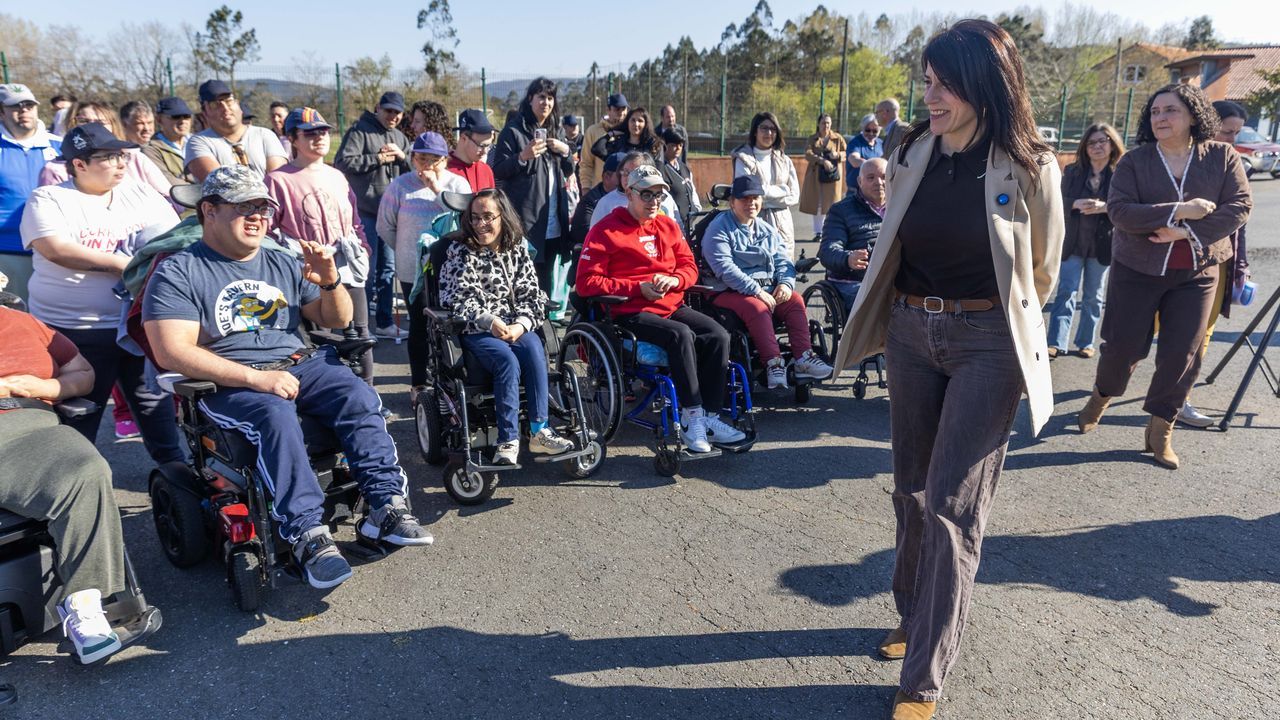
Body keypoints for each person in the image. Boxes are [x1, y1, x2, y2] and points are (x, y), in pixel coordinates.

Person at [830, 20, 1064, 719]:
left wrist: (1002, 328)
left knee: (952, 506)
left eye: (945, 84)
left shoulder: (1031, 164)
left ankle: (923, 678)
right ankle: (914, 614)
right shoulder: (911, 150)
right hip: (910, 331)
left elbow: (1042, 273)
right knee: (910, 490)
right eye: (927, 81)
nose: (929, 96)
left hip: (988, 342)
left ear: (986, 85)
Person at [142, 165, 433, 590]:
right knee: (274, 414)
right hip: (230, 378)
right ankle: (307, 535)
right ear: (209, 210)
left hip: (299, 362)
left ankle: (385, 508)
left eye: (263, 208)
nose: (257, 216)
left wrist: (330, 282)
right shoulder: (178, 271)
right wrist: (254, 379)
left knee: (357, 394)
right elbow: (172, 350)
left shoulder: (281, 259)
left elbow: (336, 319)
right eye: (244, 207)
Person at [1077, 83, 1251, 469]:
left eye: (1170, 110)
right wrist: (1180, 210)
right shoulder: (1135, 161)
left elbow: (1240, 205)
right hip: (1137, 269)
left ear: (1193, 115)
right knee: (1122, 348)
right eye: (1155, 112)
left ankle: (1161, 429)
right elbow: (1120, 211)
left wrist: (1185, 232)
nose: (1160, 118)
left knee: (1182, 353)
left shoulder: (1221, 155)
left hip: (1198, 271)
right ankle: (1102, 395)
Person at [0, 306, 156, 665]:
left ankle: (85, 609)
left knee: (86, 470)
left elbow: (84, 374)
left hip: (31, 427)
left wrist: (44, 387)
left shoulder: (25, 323)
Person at [18, 123, 184, 461]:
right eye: (109, 157)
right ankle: (73, 482)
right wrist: (126, 265)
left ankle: (176, 478)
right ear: (79, 164)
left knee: (157, 412)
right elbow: (57, 249)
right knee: (79, 424)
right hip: (77, 332)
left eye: (122, 155)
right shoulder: (49, 198)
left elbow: (172, 239)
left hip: (138, 326)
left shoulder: (140, 193)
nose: (121, 163)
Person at [576, 166, 747, 452]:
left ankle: (710, 417)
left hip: (669, 304)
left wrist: (675, 280)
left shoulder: (668, 225)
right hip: (627, 312)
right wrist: (636, 288)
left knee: (718, 334)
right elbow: (586, 283)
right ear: (629, 193)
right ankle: (692, 418)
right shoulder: (605, 230)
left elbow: (689, 267)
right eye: (646, 194)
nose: (654, 201)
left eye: (658, 195)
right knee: (680, 335)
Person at [438, 188, 575, 464]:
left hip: (515, 325)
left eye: (487, 217)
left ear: (503, 216)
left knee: (534, 348)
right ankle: (508, 439)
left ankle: (539, 432)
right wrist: (490, 321)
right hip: (477, 328)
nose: (480, 224)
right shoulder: (461, 251)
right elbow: (458, 298)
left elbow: (533, 295)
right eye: (475, 217)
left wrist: (521, 325)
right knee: (506, 360)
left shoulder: (517, 249)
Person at [265, 107, 377, 385]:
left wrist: (362, 246)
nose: (319, 138)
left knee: (359, 333)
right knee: (319, 337)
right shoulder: (278, 180)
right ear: (293, 139)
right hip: (308, 270)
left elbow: (354, 219)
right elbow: (268, 230)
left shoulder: (337, 175)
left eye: (323, 132)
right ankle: (326, 391)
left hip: (346, 264)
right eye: (310, 133)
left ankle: (368, 393)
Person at [703, 175, 833, 389]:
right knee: (757, 307)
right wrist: (756, 291)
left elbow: (783, 261)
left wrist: (785, 284)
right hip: (726, 290)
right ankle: (773, 363)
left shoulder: (766, 228)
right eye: (744, 199)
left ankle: (803, 359)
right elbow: (724, 268)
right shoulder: (718, 228)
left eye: (755, 198)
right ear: (732, 202)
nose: (751, 203)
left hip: (765, 287)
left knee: (794, 301)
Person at [1177, 100, 1255, 428]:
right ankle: (1106, 389)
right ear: (1206, 125)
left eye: (1236, 133)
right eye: (1226, 131)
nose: (1231, 139)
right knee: (1137, 337)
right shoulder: (1178, 160)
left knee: (1200, 335)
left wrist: (1240, 265)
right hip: (1168, 259)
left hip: (1217, 262)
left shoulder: (1234, 164)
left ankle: (1179, 400)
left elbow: (1240, 222)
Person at [377, 131, 471, 393]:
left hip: (453, 269)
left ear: (445, 160)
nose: (427, 165)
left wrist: (436, 189)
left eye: (434, 160)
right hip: (413, 270)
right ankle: (419, 383)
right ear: (412, 158)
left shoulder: (457, 184)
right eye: (421, 159)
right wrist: (406, 250)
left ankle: (452, 382)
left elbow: (466, 219)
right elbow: (385, 226)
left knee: (453, 325)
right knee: (419, 325)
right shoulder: (400, 186)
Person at [334, 91, 411, 341]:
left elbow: (414, 167)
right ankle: (362, 326)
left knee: (388, 269)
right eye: (388, 111)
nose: (393, 116)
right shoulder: (359, 131)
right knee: (365, 270)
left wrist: (402, 156)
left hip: (391, 214)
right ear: (377, 108)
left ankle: (385, 323)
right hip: (365, 213)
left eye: (397, 112)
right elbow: (343, 163)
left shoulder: (400, 137)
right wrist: (377, 158)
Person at [1045, 123, 1124, 359]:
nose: (1097, 146)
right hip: (1073, 243)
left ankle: (1085, 342)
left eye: (1102, 141)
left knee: (1093, 297)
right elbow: (1055, 201)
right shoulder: (1072, 171)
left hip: (1101, 246)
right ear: (1084, 147)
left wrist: (1105, 207)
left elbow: (1129, 206)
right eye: (1091, 142)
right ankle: (1056, 342)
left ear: (1112, 144)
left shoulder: (1121, 174)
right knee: (1066, 291)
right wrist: (1074, 204)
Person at [489, 77, 575, 292]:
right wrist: (522, 157)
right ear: (530, 99)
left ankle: (542, 313)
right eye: (541, 97)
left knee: (546, 282)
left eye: (550, 98)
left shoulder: (556, 131)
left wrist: (566, 151)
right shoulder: (513, 131)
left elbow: (568, 171)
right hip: (525, 223)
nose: (546, 102)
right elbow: (498, 170)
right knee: (522, 281)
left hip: (553, 222)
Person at [0, 84, 62, 302]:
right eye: (15, 106)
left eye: (29, 105)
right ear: (2, 112)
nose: (24, 110)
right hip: (7, 251)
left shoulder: (60, 146)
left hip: (56, 252)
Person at [40, 100, 172, 198]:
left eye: (100, 123)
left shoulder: (135, 159)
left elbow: (170, 198)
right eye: (84, 121)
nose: (92, 127)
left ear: (114, 125)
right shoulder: (55, 169)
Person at [185, 81, 288, 182]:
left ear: (238, 104)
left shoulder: (265, 135)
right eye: (215, 104)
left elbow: (277, 180)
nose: (225, 108)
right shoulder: (198, 142)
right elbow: (219, 183)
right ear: (205, 112)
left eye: (229, 101)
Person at [819, 157, 886, 309]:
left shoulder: (900, 208)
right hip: (852, 281)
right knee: (881, 299)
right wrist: (848, 259)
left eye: (884, 177)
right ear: (859, 181)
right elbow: (827, 251)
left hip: (890, 277)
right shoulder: (841, 210)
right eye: (871, 177)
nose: (879, 182)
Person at [732, 112, 800, 257]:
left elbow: (794, 196)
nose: (769, 133)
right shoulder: (743, 159)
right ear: (755, 131)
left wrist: (763, 195)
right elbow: (747, 193)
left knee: (784, 266)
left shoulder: (785, 160)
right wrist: (783, 190)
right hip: (753, 224)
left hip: (783, 225)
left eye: (773, 129)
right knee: (757, 265)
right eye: (764, 128)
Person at [588, 151, 680, 228]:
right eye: (626, 172)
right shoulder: (607, 202)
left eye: (634, 174)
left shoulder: (665, 198)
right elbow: (596, 234)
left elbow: (677, 228)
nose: (628, 178)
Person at [799, 114, 847, 240]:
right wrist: (821, 160)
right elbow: (807, 153)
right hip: (816, 176)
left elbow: (846, 152)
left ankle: (830, 232)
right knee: (818, 204)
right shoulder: (812, 139)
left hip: (832, 176)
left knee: (832, 204)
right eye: (823, 123)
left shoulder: (838, 138)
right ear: (818, 124)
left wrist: (837, 155)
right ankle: (818, 232)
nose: (826, 125)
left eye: (828, 123)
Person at [141, 97, 196, 186]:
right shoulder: (150, 150)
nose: (183, 121)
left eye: (187, 116)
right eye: (176, 117)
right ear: (159, 119)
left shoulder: (199, 142)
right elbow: (167, 182)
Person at [580, 93, 628, 190]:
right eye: (617, 109)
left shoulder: (630, 131)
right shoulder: (593, 131)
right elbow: (586, 163)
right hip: (600, 191)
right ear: (608, 110)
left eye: (624, 109)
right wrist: (585, 188)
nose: (621, 113)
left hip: (626, 192)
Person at [658, 126, 700, 225]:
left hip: (689, 222)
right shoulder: (660, 169)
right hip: (671, 223)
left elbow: (693, 191)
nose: (678, 148)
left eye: (680, 145)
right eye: (674, 145)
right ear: (665, 145)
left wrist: (697, 208)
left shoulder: (684, 168)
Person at [447, 109, 496, 192]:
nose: (485, 152)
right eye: (481, 145)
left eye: (488, 146)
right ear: (464, 138)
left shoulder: (486, 171)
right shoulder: (444, 169)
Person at [591, 107, 662, 164]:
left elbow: (660, 169)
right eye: (633, 120)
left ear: (646, 124)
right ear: (627, 122)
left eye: (640, 121)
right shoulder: (618, 145)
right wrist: (610, 134)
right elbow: (597, 149)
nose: (636, 124)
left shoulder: (654, 146)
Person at [846, 113, 884, 188]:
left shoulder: (881, 143)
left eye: (875, 131)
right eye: (867, 130)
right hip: (857, 189)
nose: (871, 133)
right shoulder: (856, 142)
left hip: (876, 188)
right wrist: (870, 165)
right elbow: (853, 159)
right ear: (862, 128)